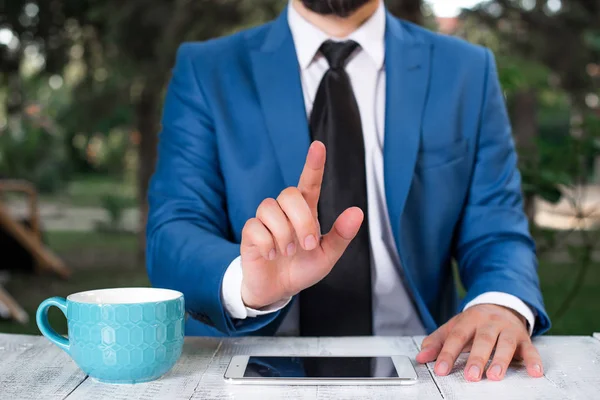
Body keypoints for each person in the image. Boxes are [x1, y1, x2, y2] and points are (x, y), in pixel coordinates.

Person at [146, 0, 551, 382]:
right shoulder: (207, 70)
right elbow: (174, 231)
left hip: (428, 367)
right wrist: (246, 284)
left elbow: (497, 231)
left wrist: (499, 303)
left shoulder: (467, 71)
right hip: (249, 372)